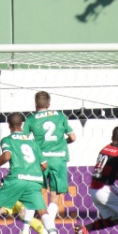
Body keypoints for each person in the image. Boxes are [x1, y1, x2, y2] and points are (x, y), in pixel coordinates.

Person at [0, 112, 60, 234]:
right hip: (34, 180)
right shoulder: (33, 141)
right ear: (22, 125)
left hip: (17, 178)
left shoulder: (8, 140)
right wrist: (33, 173)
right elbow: (44, 165)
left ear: (9, 125)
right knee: (43, 211)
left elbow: (6, 156)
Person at [23, 91, 76, 226]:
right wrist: (63, 143)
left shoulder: (31, 119)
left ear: (36, 104)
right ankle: (49, 226)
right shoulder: (60, 116)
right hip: (58, 159)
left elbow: (24, 142)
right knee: (55, 193)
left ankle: (34, 225)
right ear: (49, 103)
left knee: (39, 192)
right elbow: (73, 137)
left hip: (41, 160)